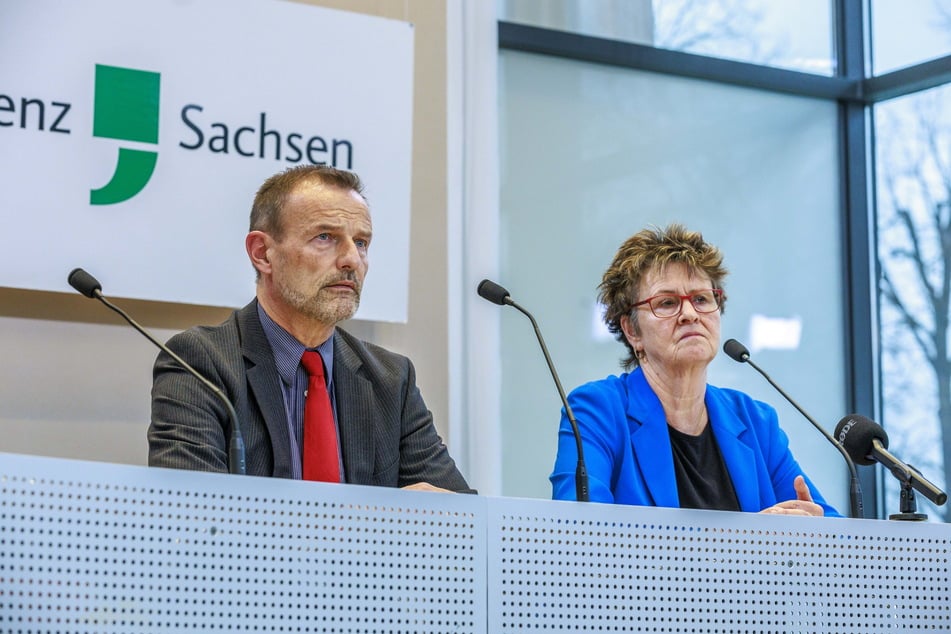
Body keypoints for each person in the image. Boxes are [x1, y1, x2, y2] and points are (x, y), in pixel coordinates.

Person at [148, 165, 472, 493]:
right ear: (262, 254)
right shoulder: (200, 363)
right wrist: (384, 516)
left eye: (361, 242)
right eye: (325, 238)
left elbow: (464, 519)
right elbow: (190, 515)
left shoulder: (390, 379)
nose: (351, 260)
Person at [550, 224, 839, 516]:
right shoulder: (598, 410)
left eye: (701, 299)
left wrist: (814, 532)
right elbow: (578, 537)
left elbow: (835, 534)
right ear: (632, 330)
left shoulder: (755, 421)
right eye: (666, 303)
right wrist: (750, 543)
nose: (689, 314)